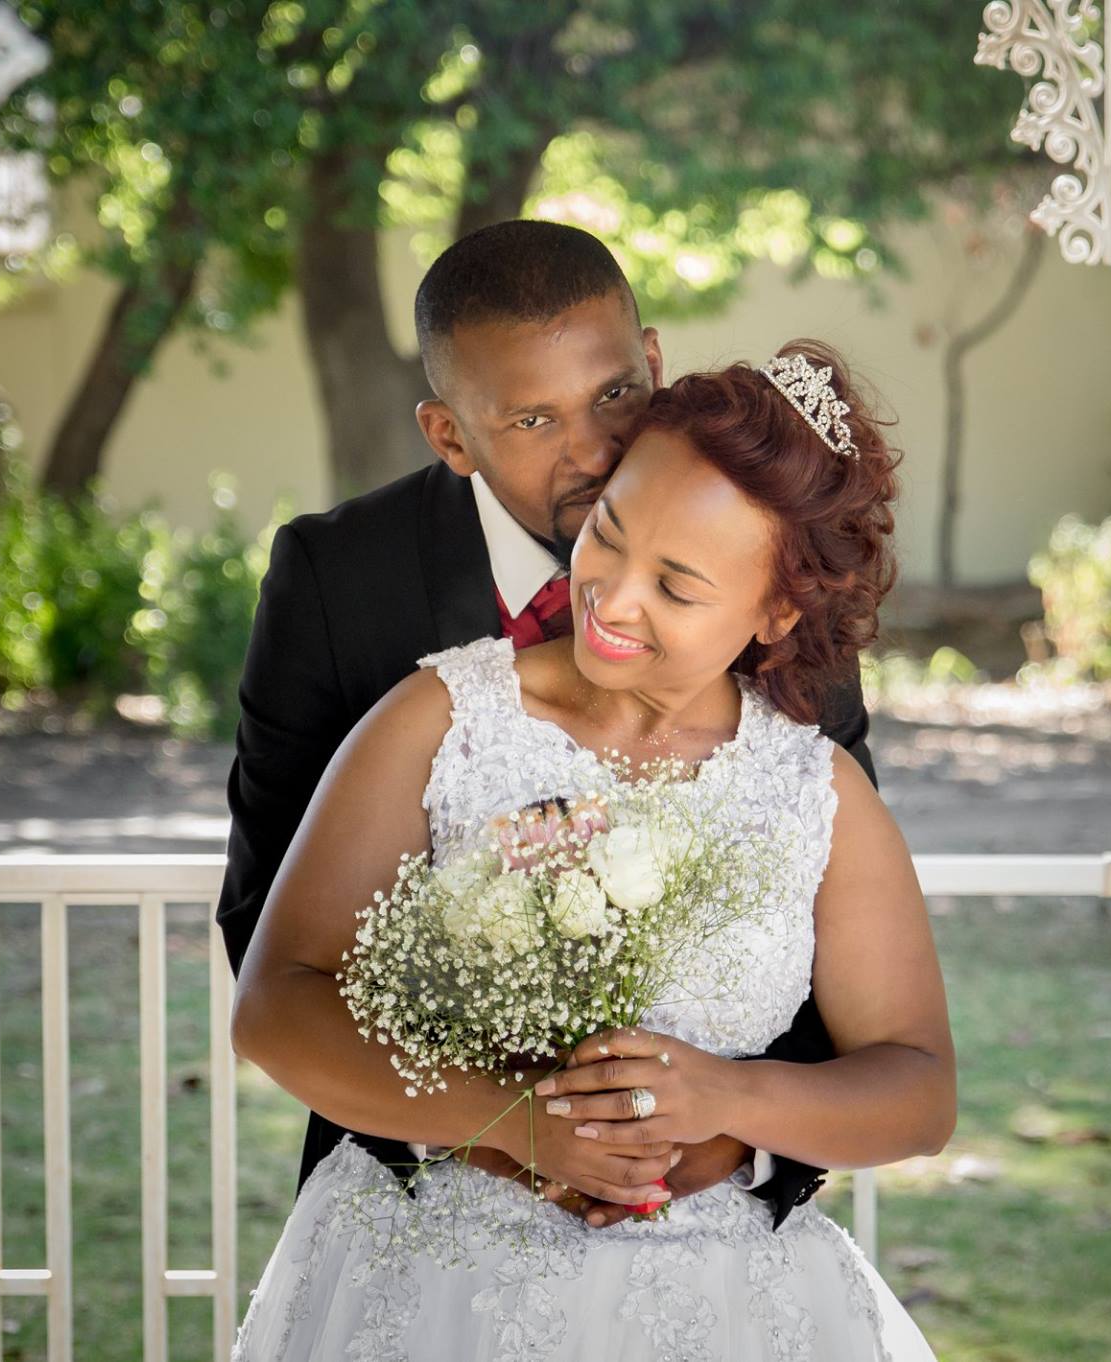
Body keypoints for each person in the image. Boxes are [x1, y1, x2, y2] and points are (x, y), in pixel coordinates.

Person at [229, 341, 953, 1357]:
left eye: (677, 587)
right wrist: (514, 1123)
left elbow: (919, 1091)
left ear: (776, 611)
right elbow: (274, 1008)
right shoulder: (440, 719)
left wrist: (729, 1100)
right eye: (607, 534)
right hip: (434, 1286)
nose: (612, 600)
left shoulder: (814, 791)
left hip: (720, 1303)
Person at [214, 220, 876, 1231]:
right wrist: (502, 1129)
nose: (597, 450)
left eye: (614, 394)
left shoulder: (767, 561)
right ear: (450, 436)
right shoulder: (338, 582)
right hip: (432, 1195)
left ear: (652, 359)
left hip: (709, 1203)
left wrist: (732, 1139)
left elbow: (827, 902)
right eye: (532, 419)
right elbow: (270, 928)